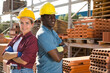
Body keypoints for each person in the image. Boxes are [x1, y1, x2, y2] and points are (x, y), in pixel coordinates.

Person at [2, 8, 38, 73]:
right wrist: (18, 54)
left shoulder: (32, 40)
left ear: (32, 24)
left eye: (27, 23)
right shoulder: (16, 38)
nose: (24, 26)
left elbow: (24, 61)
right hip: (13, 70)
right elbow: (4, 55)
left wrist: (10, 56)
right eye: (21, 23)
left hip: (24, 71)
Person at [36, 2, 68, 73]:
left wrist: (58, 49)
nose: (53, 19)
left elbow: (65, 46)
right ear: (42, 18)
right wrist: (62, 49)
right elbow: (57, 58)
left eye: (54, 16)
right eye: (49, 16)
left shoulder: (52, 32)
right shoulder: (43, 34)